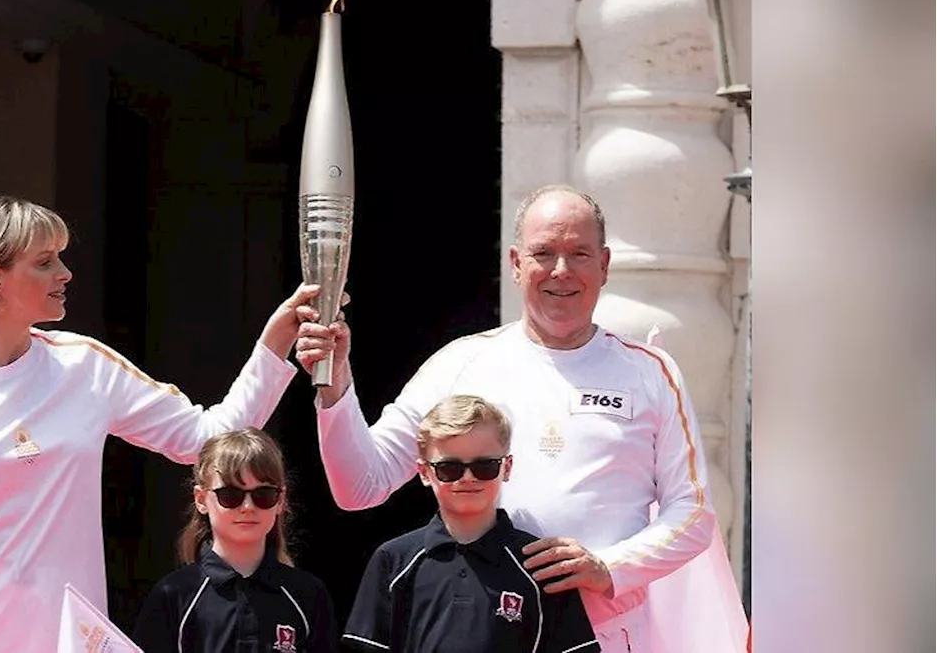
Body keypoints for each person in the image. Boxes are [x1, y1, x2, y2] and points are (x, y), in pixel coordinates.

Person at [0, 195, 319, 653]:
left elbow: (205, 440)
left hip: (67, 642)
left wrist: (274, 343)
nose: (65, 273)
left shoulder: (87, 367)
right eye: (45, 262)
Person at [294, 185, 718, 652]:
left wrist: (608, 566)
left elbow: (693, 512)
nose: (561, 270)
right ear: (516, 263)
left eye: (579, 253)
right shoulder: (461, 363)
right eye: (544, 253)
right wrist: (335, 384)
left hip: (610, 632)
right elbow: (360, 484)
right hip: (486, 633)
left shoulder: (649, 372)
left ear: (605, 264)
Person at [342, 395, 599, 653]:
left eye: (484, 466)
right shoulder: (394, 560)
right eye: (449, 468)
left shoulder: (539, 564)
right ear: (424, 473)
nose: (467, 478)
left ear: (507, 467)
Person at [132, 427, 338, 653]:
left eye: (264, 495)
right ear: (201, 499)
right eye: (230, 495)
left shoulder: (308, 594)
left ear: (280, 501)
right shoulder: (173, 594)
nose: (248, 507)